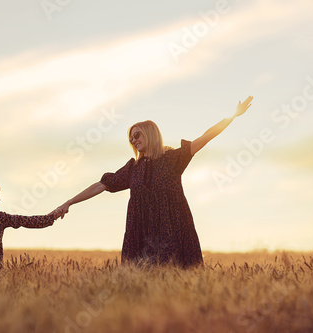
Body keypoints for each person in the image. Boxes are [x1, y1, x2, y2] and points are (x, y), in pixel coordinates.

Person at [54, 96, 253, 268]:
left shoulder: (173, 159)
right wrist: (69, 202)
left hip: (171, 231)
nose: (133, 140)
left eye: (137, 135)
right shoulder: (133, 168)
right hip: (139, 235)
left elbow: (205, 137)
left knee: (175, 280)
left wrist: (232, 116)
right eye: (131, 138)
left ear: (150, 133)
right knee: (138, 285)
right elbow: (101, 185)